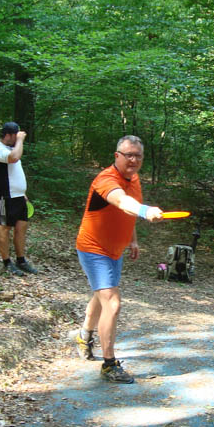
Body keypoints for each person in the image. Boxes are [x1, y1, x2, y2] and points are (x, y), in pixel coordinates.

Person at [69, 135, 164, 384]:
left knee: (101, 297)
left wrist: (132, 239)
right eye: (128, 155)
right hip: (93, 248)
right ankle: (109, 365)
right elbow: (122, 201)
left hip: (115, 250)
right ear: (117, 156)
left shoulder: (134, 178)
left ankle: (83, 335)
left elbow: (126, 212)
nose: (133, 160)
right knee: (112, 302)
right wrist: (145, 211)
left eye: (138, 156)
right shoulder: (106, 180)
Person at [0, 122, 38, 276]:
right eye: (16, 136)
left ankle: (21, 260)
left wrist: (22, 193)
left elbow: (14, 170)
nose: (18, 139)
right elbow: (13, 158)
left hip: (18, 196)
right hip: (4, 196)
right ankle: (6, 262)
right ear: (8, 135)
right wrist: (20, 140)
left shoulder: (11, 147)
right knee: (5, 226)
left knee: (21, 227)